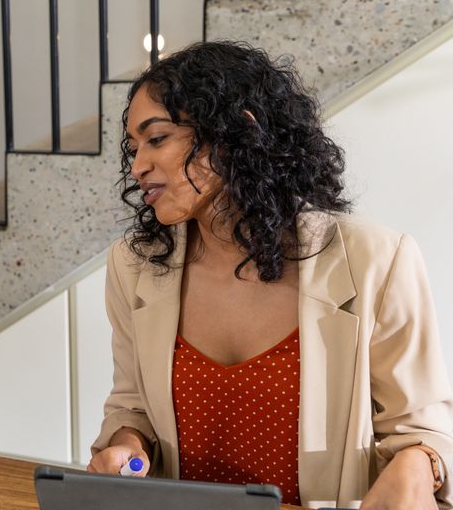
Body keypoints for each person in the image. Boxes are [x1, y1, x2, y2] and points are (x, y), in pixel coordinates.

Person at [86, 41, 452, 509]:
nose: (138, 166)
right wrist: (127, 445)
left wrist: (418, 464)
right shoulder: (133, 266)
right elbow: (131, 404)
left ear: (239, 131)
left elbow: (422, 429)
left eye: (157, 138)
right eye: (133, 147)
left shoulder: (376, 258)